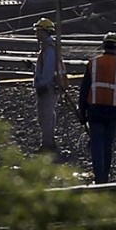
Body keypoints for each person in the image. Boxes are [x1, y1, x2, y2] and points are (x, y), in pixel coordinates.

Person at [78, 31, 116, 184]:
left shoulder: (93, 63)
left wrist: (81, 110)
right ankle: (105, 176)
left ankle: (99, 177)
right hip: (113, 109)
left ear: (103, 46)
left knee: (96, 143)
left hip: (95, 108)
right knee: (107, 145)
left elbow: (84, 89)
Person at [32, 17, 67, 155]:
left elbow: (48, 71)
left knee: (45, 116)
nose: (36, 34)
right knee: (47, 115)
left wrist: (41, 84)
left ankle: (48, 145)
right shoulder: (48, 47)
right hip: (50, 86)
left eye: (38, 31)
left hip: (48, 87)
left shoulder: (49, 49)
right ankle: (48, 142)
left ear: (44, 32)